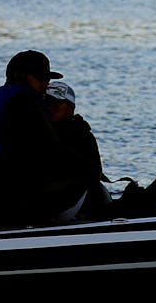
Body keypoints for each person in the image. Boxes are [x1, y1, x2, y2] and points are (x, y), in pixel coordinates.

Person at [0, 50, 91, 225]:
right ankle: (40, 221)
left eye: (47, 78)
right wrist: (89, 168)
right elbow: (52, 148)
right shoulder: (26, 99)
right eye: (40, 77)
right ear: (20, 76)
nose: (45, 83)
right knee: (84, 174)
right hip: (3, 192)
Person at [43, 80, 109, 218]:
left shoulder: (81, 134)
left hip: (72, 200)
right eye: (47, 103)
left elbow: (94, 174)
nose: (50, 108)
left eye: (56, 104)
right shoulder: (40, 130)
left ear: (71, 108)